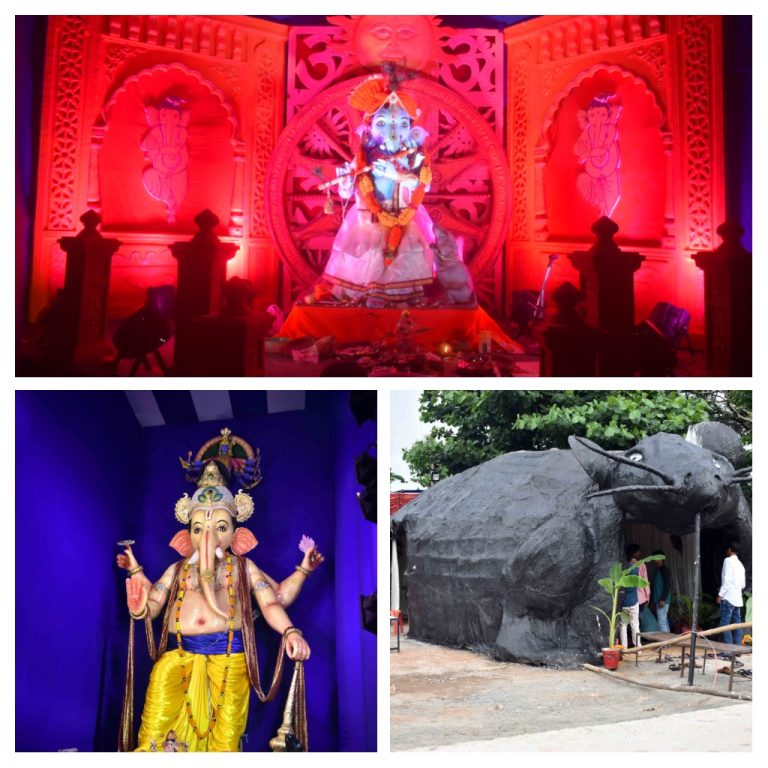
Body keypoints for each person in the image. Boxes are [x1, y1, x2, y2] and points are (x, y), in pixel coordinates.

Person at [117, 429, 324, 752]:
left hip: (229, 661)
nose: (208, 536)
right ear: (185, 538)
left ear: (238, 538)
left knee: (224, 743)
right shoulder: (179, 569)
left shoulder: (243, 568)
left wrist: (291, 629)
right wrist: (140, 602)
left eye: (220, 528)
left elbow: (274, 602)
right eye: (199, 529)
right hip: (179, 658)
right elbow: (154, 604)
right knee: (154, 735)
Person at [313, 75, 436, 307]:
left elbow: (423, 185)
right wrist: (344, 181)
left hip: (403, 221)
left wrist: (397, 175)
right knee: (369, 257)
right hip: (367, 224)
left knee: (401, 261)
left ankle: (401, 298)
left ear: (410, 128)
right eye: (383, 123)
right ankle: (369, 295)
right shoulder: (363, 158)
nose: (393, 131)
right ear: (370, 127)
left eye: (401, 124)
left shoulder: (414, 157)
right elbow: (347, 194)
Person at [716, 541, 746, 645]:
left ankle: (728, 650)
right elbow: (743, 585)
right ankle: (737, 649)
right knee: (737, 625)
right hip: (737, 599)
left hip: (728, 598)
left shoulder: (727, 561)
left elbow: (727, 580)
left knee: (725, 624)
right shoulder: (741, 565)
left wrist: (720, 594)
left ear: (729, 550)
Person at [619, 543, 642, 648]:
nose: (640, 554)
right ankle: (638, 647)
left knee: (623, 625)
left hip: (624, 602)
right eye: (638, 552)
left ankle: (624, 648)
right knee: (635, 624)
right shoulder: (635, 567)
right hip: (633, 600)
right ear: (634, 553)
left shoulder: (624, 567)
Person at [650, 549, 673, 632]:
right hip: (660, 600)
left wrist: (663, 599)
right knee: (664, 621)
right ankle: (669, 641)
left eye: (655, 558)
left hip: (663, 600)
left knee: (662, 622)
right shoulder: (658, 570)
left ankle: (665, 643)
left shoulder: (664, 570)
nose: (653, 560)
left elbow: (667, 585)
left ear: (660, 558)